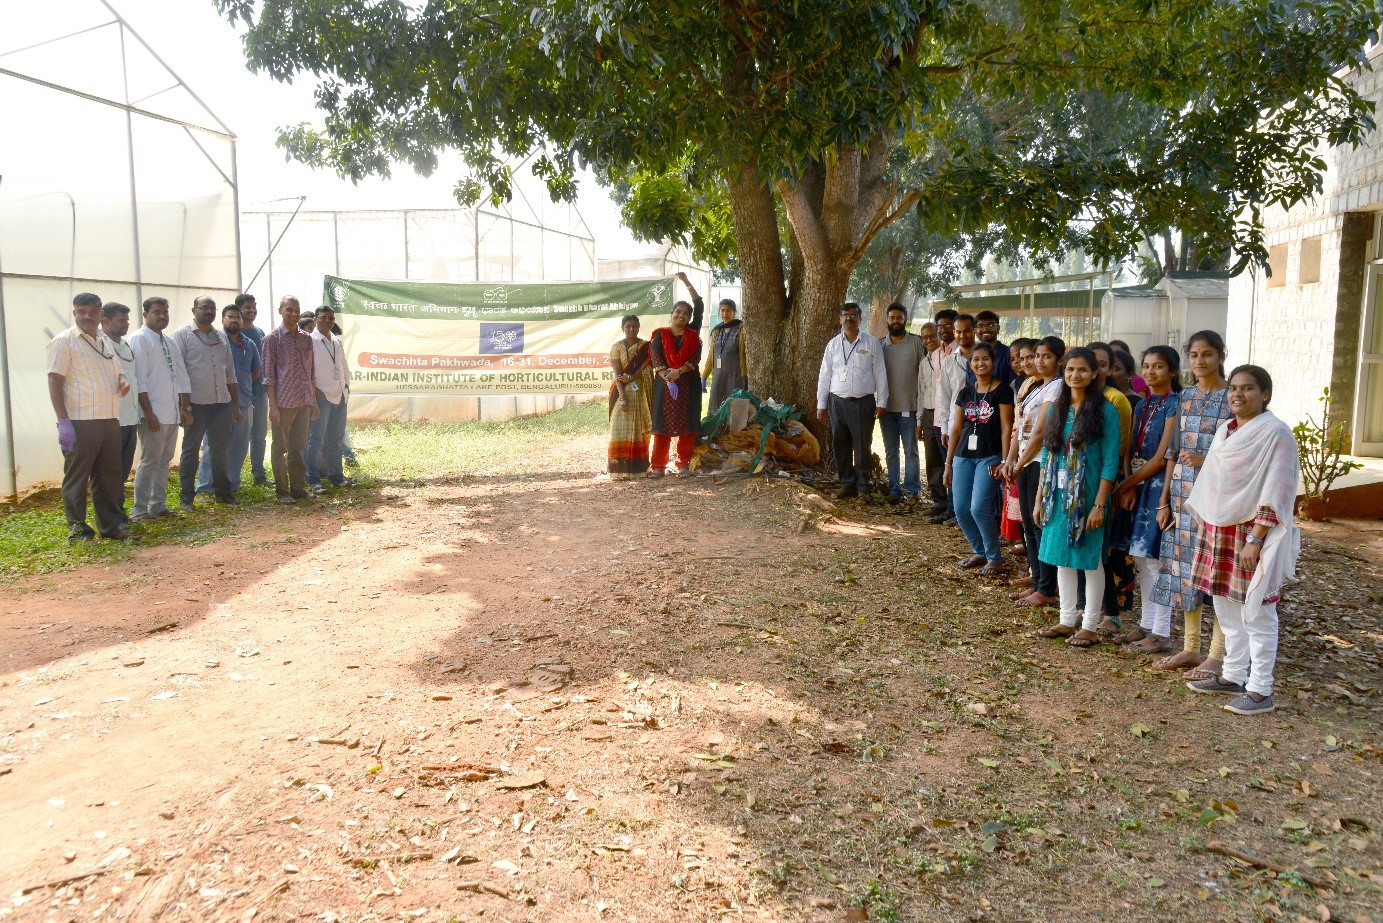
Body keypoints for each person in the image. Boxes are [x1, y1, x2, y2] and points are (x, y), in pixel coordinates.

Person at [1185, 365, 1300, 716]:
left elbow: (1277, 488)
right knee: (1225, 605)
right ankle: (1233, 674)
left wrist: (1256, 538)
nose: (1238, 394)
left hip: (1252, 535)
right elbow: (1215, 483)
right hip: (1219, 530)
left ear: (1265, 394)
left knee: (1258, 611)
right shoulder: (1227, 430)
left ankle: (1260, 689)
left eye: (1248, 389)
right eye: (1234, 388)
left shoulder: (1276, 433)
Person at [1152, 331, 1232, 675]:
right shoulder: (1183, 397)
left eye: (1208, 354)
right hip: (1182, 497)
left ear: (1221, 355)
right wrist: (1164, 500)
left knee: (1215, 571)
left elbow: (1244, 451)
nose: (1200, 361)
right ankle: (1190, 648)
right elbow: (1171, 454)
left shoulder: (1235, 397)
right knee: (1185, 570)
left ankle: (1218, 653)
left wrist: (1208, 460)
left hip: (1220, 497)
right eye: (1195, 354)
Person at [1034, 347, 1120, 648]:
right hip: (1057, 496)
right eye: (1070, 370)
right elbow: (1048, 454)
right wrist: (1038, 499)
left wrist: (1099, 504)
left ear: (1095, 373)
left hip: (1088, 499)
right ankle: (1067, 620)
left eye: (1083, 370)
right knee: (1062, 558)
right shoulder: (1059, 407)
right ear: (1064, 372)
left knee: (1090, 560)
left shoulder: (1104, 410)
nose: (1076, 375)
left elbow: (1110, 461)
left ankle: (1091, 625)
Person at [1111, 346, 1181, 654]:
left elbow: (1161, 458)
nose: (1151, 372)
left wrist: (1127, 484)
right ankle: (1147, 623)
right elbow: (1130, 450)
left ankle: (1161, 630)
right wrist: (1128, 484)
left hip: (1157, 487)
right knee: (1140, 558)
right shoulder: (1142, 404)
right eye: (1147, 366)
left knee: (1156, 561)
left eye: (1159, 367)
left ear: (1173, 372)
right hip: (1137, 486)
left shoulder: (1175, 405)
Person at [46, 293, 131, 542]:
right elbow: (54, 381)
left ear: (100, 314)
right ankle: (79, 531)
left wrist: (123, 381)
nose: (87, 316)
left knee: (108, 477)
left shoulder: (103, 340)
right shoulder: (64, 342)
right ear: (74, 313)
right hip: (80, 421)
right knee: (77, 478)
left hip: (109, 418)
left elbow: (118, 373)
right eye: (81, 311)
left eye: (92, 312)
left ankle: (111, 527)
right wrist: (63, 421)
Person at [1004, 335, 1065, 607]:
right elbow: (1022, 426)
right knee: (1028, 526)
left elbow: (1040, 431)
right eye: (1037, 356)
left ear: (1059, 360)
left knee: (1040, 526)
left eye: (1046, 356)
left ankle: (1047, 588)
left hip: (1041, 460)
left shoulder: (1057, 387)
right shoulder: (1034, 387)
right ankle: (1037, 581)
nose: (1039, 361)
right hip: (1026, 461)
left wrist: (1018, 463)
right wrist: (1012, 459)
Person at [943, 342, 1014, 574]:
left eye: (985, 359)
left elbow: (1006, 427)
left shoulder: (1002, 390)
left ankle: (994, 557)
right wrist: (948, 463)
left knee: (979, 508)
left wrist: (1005, 460)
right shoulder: (965, 393)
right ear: (970, 364)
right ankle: (980, 552)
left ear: (992, 362)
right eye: (975, 360)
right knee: (961, 509)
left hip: (990, 456)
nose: (980, 363)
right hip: (963, 455)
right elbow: (955, 429)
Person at [173, 297, 241, 511]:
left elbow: (230, 374)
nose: (209, 312)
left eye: (212, 308)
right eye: (204, 308)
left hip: (221, 403)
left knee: (219, 450)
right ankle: (186, 497)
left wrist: (235, 405)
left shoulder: (221, 337)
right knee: (190, 450)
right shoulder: (181, 336)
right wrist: (184, 407)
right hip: (196, 404)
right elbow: (177, 374)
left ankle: (223, 492)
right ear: (194, 310)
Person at [816, 302, 888, 500]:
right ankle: (847, 484)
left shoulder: (871, 343)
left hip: (863, 402)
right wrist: (821, 404)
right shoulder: (833, 345)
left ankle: (864, 486)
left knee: (862, 445)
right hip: (837, 402)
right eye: (845, 315)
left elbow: (880, 373)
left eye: (853, 315)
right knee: (841, 445)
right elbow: (825, 375)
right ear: (840, 319)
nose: (849, 318)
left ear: (860, 319)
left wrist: (882, 402)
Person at [129, 297, 192, 521]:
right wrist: (148, 413)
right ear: (145, 314)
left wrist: (185, 408)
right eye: (157, 312)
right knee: (149, 460)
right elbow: (139, 381)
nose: (162, 316)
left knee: (164, 460)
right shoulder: (140, 339)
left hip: (171, 413)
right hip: (153, 413)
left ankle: (158, 504)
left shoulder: (169, 341)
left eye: (165, 312)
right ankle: (139, 508)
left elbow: (182, 378)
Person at [195, 304, 261, 494]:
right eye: (230, 317)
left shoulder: (249, 344)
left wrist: (243, 387)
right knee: (213, 447)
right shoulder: (217, 342)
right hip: (220, 403)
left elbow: (256, 371)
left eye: (237, 318)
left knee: (239, 447)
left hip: (245, 402)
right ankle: (205, 488)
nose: (234, 321)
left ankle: (230, 485)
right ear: (223, 320)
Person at [649, 272, 706, 477]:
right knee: (662, 425)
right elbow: (656, 356)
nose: (681, 316)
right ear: (671, 313)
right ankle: (658, 466)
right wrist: (667, 375)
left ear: (690, 318)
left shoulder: (693, 336)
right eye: (678, 312)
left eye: (685, 314)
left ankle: (683, 464)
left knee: (689, 424)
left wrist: (679, 371)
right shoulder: (659, 335)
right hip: (664, 386)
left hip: (688, 384)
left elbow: (695, 359)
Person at [262, 295, 318, 504]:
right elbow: (268, 376)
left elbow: (310, 372)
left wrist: (312, 402)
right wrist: (273, 407)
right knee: (280, 448)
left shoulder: (306, 338)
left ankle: (297, 488)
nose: (294, 314)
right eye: (289, 310)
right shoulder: (272, 339)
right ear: (280, 311)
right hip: (283, 404)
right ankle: (282, 491)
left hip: (303, 401)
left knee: (298, 447)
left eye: (297, 310)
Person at [929, 312, 976, 523]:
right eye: (959, 331)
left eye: (967, 330)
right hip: (957, 422)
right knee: (955, 466)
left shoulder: (984, 356)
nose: (963, 335)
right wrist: (946, 428)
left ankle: (970, 513)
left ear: (973, 330)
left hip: (983, 421)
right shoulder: (950, 361)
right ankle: (955, 510)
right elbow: (946, 398)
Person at [880, 304, 926, 507]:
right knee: (891, 451)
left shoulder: (916, 343)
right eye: (892, 318)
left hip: (910, 407)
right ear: (887, 320)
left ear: (905, 320)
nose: (895, 321)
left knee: (911, 451)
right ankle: (894, 490)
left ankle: (913, 491)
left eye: (899, 318)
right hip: (886, 409)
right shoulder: (880, 345)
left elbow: (925, 375)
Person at [305, 306, 352, 492]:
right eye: (323, 318)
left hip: (340, 395)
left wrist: (346, 386)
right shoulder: (309, 340)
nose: (327, 321)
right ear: (316, 319)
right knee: (316, 440)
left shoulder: (336, 341)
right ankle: (313, 479)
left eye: (330, 318)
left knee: (336, 439)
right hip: (321, 396)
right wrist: (315, 391)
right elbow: (305, 369)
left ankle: (336, 476)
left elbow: (344, 366)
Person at [99, 302, 140, 488]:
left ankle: (118, 511)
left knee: (123, 469)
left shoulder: (124, 344)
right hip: (114, 418)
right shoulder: (99, 344)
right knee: (110, 470)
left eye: (127, 320)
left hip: (131, 416)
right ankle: (112, 513)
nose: (126, 324)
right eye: (121, 320)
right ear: (105, 320)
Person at [607, 314, 653, 478]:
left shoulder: (646, 347)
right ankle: (619, 470)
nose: (631, 329)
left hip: (641, 392)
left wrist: (635, 376)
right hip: (623, 392)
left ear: (639, 327)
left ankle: (639, 469)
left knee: (639, 431)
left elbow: (649, 370)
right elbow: (618, 375)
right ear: (623, 328)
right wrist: (623, 398)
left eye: (634, 326)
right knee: (620, 431)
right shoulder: (616, 347)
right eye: (628, 326)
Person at [236, 294, 273, 486]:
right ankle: (233, 477)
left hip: (260, 392)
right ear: (239, 310)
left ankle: (259, 474)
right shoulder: (234, 333)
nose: (252, 310)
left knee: (259, 435)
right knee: (239, 436)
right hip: (240, 395)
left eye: (254, 306)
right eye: (247, 307)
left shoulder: (260, 332)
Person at [701, 298, 748, 413]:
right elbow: (711, 356)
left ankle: (736, 430)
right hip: (719, 374)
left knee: (735, 403)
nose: (725, 314)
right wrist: (704, 376)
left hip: (736, 374)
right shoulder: (717, 331)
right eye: (722, 311)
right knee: (717, 403)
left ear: (734, 312)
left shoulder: (741, 329)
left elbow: (745, 354)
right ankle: (716, 428)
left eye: (728, 311)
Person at [916, 322, 945, 509]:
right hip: (928, 413)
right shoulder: (923, 363)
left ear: (939, 335)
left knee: (947, 458)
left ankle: (953, 504)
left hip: (945, 414)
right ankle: (939, 501)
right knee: (932, 459)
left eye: (932, 336)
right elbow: (920, 392)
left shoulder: (948, 358)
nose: (929, 340)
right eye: (925, 337)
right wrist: (919, 420)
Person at [973, 310, 1012, 384]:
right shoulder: (972, 355)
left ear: (998, 329)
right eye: (980, 326)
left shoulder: (1008, 354)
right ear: (975, 331)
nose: (985, 329)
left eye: (990, 325)